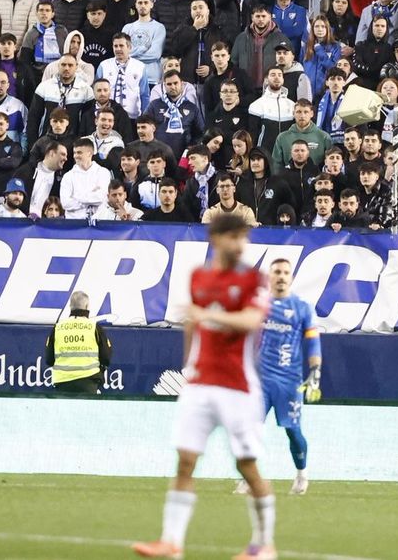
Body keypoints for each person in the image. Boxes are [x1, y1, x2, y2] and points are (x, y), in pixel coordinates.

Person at [133, 210, 276, 560]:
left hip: (238, 386)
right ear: (217, 239)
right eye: (234, 237)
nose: (241, 244)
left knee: (247, 466)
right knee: (184, 461)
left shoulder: (254, 280)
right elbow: (191, 325)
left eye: (244, 237)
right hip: (201, 384)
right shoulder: (198, 276)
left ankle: (263, 545)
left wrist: (209, 316)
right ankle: (170, 542)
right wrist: (189, 365)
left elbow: (251, 320)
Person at [247, 257, 321, 497]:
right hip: (260, 380)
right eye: (276, 271)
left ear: (291, 277)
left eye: (285, 272)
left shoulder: (301, 307)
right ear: (270, 276)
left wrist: (315, 370)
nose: (280, 276)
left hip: (290, 381)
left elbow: (312, 341)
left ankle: (302, 475)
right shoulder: (258, 305)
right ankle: (249, 478)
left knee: (293, 430)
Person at [46, 289, 112, 395]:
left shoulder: (58, 328)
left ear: (70, 307)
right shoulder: (94, 327)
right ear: (87, 307)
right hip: (88, 382)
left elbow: (49, 359)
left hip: (63, 383)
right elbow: (106, 357)